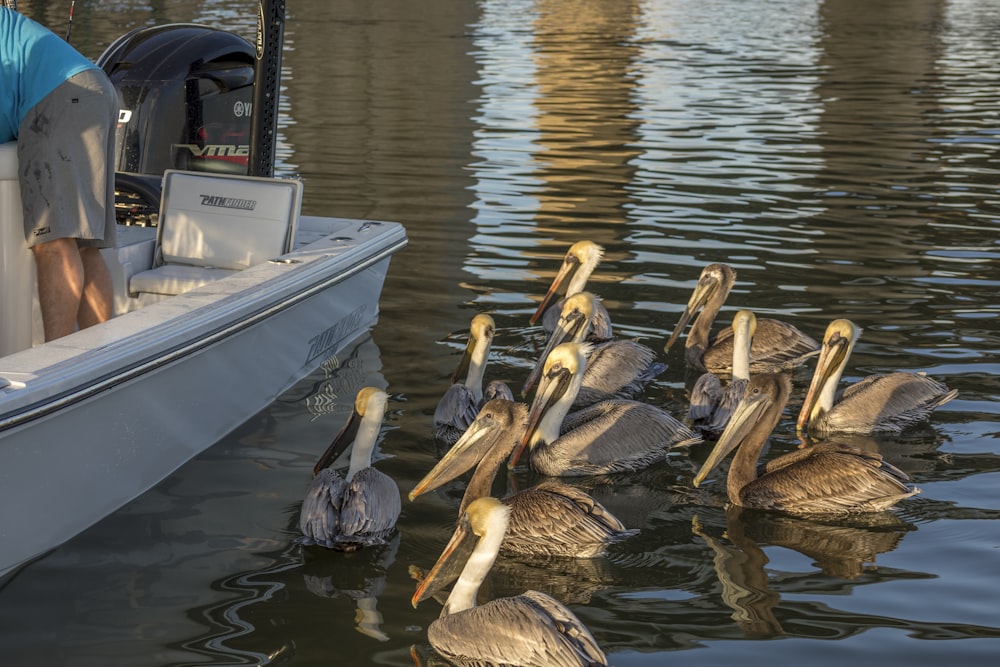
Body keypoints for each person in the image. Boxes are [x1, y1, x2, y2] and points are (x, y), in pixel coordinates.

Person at [1, 6, 117, 341]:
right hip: (87, 88)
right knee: (82, 245)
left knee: (53, 241)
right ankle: (97, 361)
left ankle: (56, 369)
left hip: (60, 95)